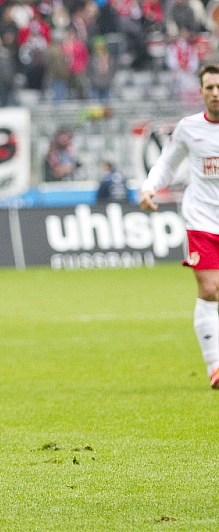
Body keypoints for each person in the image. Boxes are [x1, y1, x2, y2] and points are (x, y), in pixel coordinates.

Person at [139, 64, 219, 389]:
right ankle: (215, 366)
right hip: (201, 219)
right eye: (210, 87)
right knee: (210, 289)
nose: (216, 93)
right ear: (200, 92)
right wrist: (149, 187)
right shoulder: (189, 128)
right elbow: (166, 163)